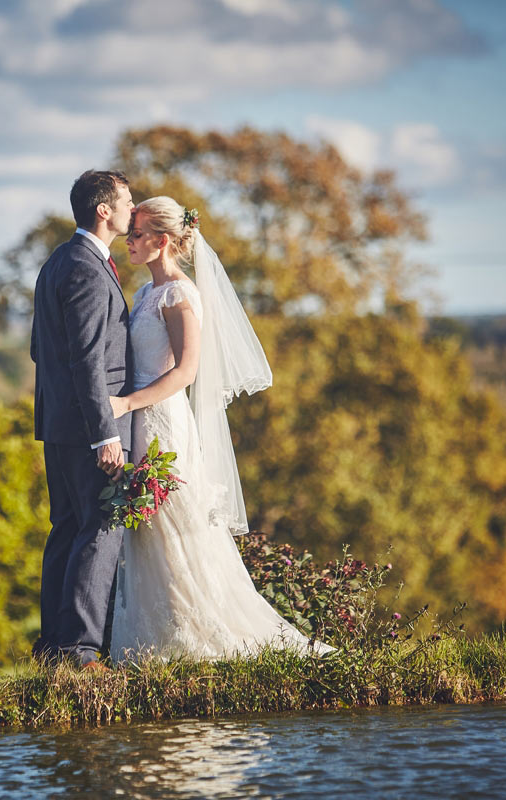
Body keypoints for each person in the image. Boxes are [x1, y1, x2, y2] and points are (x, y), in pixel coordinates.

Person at [107, 196, 331, 662]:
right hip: (140, 421)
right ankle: (157, 638)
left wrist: (127, 402)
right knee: (148, 529)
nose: (129, 239)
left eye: (138, 233)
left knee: (176, 526)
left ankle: (195, 634)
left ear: (163, 241)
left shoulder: (180, 295)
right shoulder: (148, 293)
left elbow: (185, 372)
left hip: (163, 421)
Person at [30, 169, 135, 670]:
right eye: (127, 203)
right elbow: (89, 361)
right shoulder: (88, 269)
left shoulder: (57, 261)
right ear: (104, 211)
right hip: (89, 430)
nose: (132, 211)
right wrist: (105, 436)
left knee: (68, 529)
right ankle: (80, 651)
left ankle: (53, 647)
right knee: (100, 527)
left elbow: (40, 351)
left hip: (59, 425)